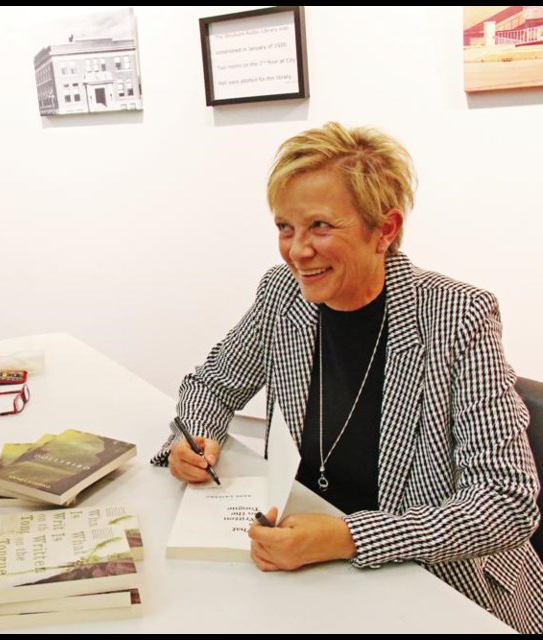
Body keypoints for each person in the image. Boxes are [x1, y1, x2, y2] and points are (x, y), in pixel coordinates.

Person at [153, 122, 543, 633]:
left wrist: (348, 537)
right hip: (315, 575)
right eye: (284, 228)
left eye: (320, 226)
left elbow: (506, 499)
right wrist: (197, 437)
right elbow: (213, 385)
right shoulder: (282, 294)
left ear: (383, 230)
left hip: (441, 589)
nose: (297, 251)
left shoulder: (457, 315)